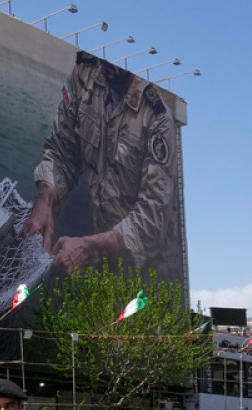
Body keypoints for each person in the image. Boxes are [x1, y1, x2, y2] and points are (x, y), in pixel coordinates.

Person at [22, 52, 178, 280]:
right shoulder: (84, 77)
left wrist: (89, 249)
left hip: (151, 277)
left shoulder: (157, 118)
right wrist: (45, 200)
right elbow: (62, 152)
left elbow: (152, 221)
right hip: (104, 263)